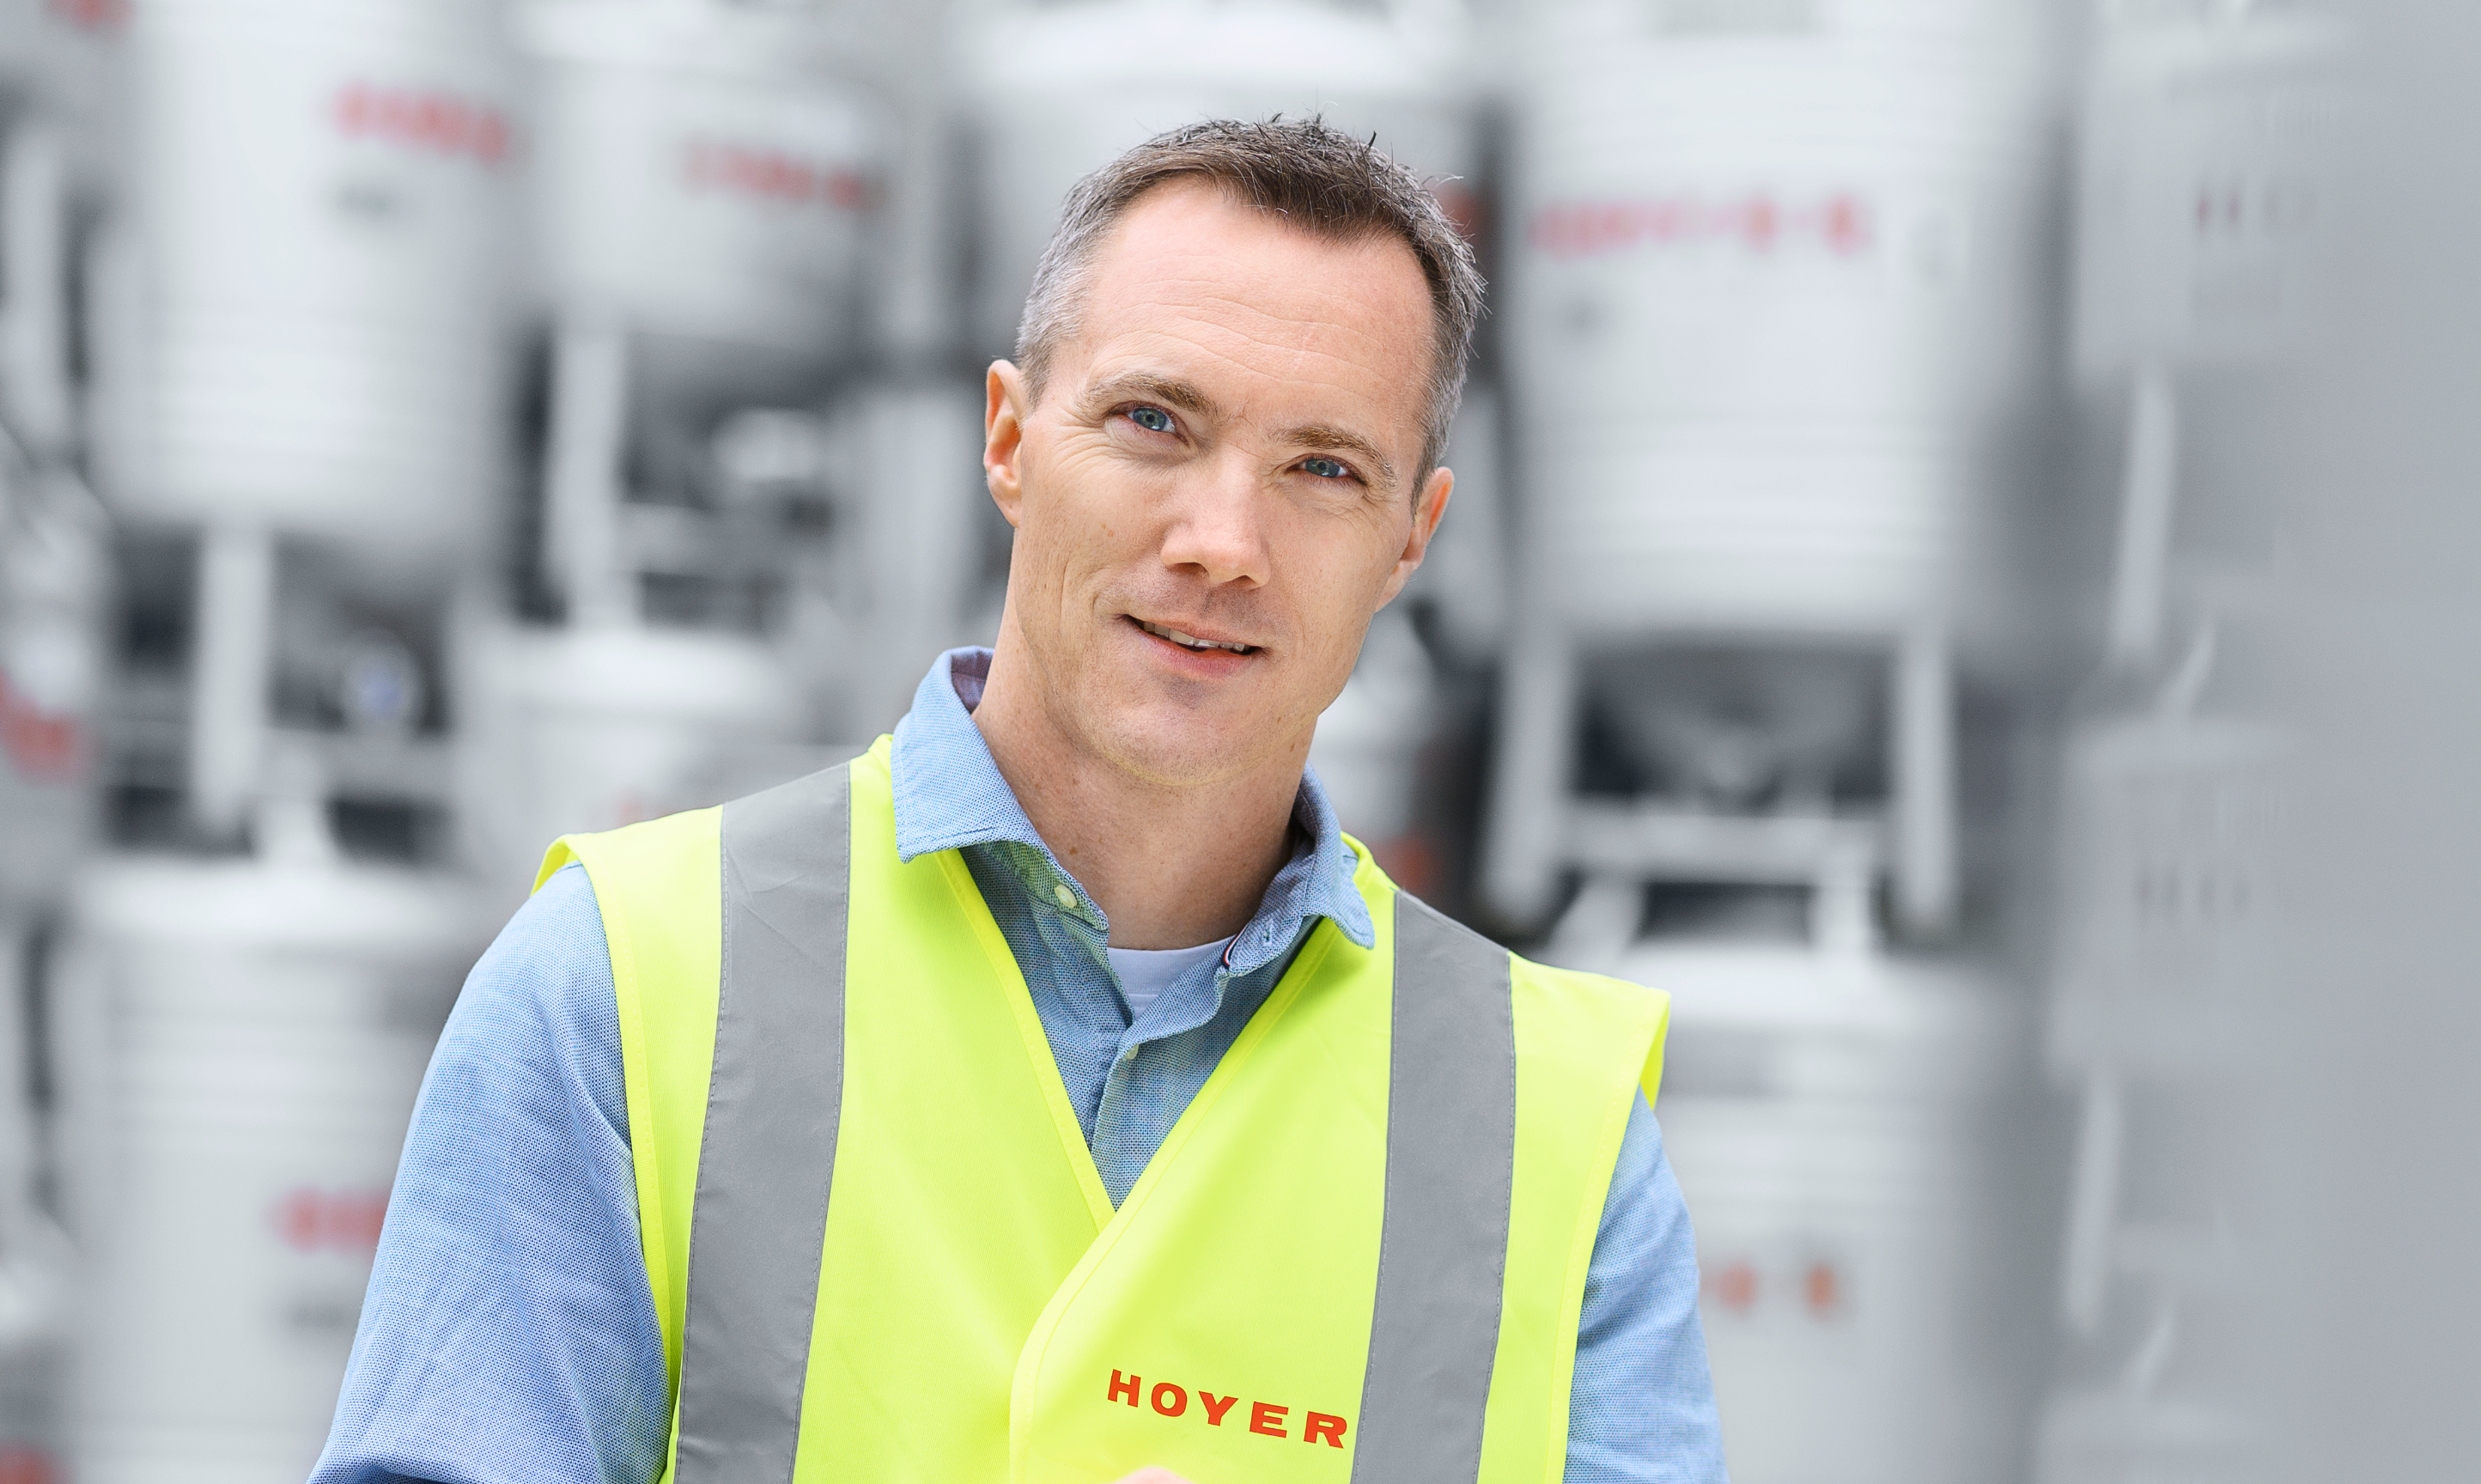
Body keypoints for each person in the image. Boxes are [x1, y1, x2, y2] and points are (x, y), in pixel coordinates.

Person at [311, 118, 1726, 1484]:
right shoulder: (628, 980)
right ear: (1009, 440)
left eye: (1322, 469)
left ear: (1411, 536)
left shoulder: (1562, 1130)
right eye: (1156, 421)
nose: (1222, 543)